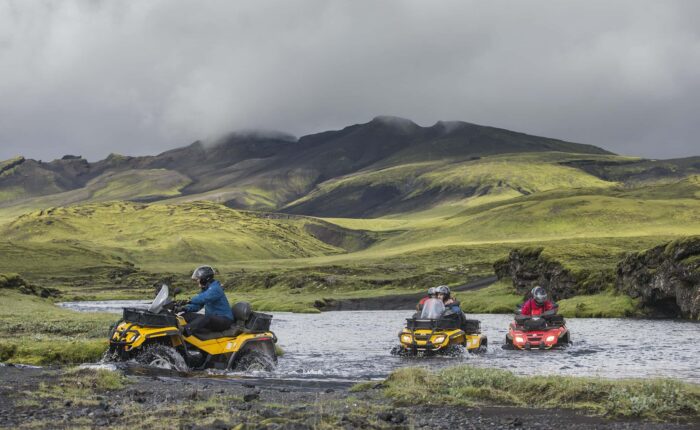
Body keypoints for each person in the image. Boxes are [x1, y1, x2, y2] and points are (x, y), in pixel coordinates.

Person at [181, 266, 234, 336]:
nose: (197, 281)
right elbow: (198, 305)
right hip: (214, 319)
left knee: (206, 317)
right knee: (186, 316)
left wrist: (188, 301)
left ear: (204, 279)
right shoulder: (206, 289)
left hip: (224, 320)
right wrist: (184, 308)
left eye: (198, 279)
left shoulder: (216, 288)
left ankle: (185, 331)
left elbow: (203, 298)